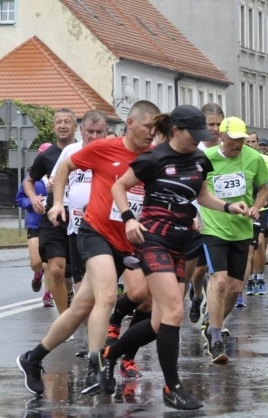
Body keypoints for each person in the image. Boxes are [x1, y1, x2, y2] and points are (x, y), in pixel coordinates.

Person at [15, 101, 159, 396]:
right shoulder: (105, 148)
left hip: (129, 240)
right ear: (131, 123)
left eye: (156, 129)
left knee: (85, 306)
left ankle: (32, 358)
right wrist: (58, 202)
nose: (151, 133)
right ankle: (97, 368)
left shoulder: (153, 156)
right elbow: (66, 166)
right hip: (95, 233)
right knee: (106, 296)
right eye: (148, 127)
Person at [112, 105, 250, 409]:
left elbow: (202, 195)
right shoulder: (154, 158)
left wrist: (229, 207)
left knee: (160, 322)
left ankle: (107, 356)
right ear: (176, 130)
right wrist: (128, 218)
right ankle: (171, 387)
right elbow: (119, 186)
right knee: (174, 311)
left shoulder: (200, 159)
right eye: (193, 134)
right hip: (152, 238)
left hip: (180, 241)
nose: (198, 140)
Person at [199, 117, 268, 362]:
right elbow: (197, 192)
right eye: (233, 140)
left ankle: (212, 322)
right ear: (221, 137)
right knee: (218, 280)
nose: (238, 144)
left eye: (241, 139)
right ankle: (216, 338)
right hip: (213, 228)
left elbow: (264, 188)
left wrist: (256, 207)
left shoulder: (254, 158)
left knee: (234, 288)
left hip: (241, 229)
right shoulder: (206, 158)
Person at [23, 109, 77, 314]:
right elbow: (29, 181)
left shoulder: (85, 151)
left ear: (75, 127)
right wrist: (33, 198)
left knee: (77, 272)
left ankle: (79, 305)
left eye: (67, 122)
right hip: (54, 217)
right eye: (58, 122)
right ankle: (65, 319)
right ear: (54, 127)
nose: (62, 126)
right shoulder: (46, 156)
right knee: (55, 269)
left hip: (81, 217)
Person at [50, 111, 109, 297]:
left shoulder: (113, 151)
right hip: (76, 225)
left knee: (102, 283)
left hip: (104, 227)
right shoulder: (71, 151)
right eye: (90, 131)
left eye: (99, 132)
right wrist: (58, 203)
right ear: (81, 130)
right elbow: (57, 177)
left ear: (107, 132)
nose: (94, 136)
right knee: (80, 282)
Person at [185, 103, 225, 323]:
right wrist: (193, 214)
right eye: (211, 124)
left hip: (221, 219)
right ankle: (197, 297)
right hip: (198, 217)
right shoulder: (194, 149)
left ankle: (211, 316)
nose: (215, 129)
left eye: (219, 124)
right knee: (199, 270)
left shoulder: (228, 149)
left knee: (218, 273)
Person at [16, 142, 52, 305]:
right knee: (37, 263)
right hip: (35, 223)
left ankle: (47, 295)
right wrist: (32, 202)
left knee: (51, 261)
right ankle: (38, 274)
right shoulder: (31, 177)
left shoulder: (60, 174)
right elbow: (19, 199)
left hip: (53, 223)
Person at [243, 131, 268, 298]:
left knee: (260, 243)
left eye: (253, 142)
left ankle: (260, 278)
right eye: (247, 142)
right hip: (244, 210)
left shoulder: (267, 161)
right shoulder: (239, 159)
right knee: (249, 247)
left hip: (261, 209)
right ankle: (249, 280)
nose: (250, 145)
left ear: (257, 143)